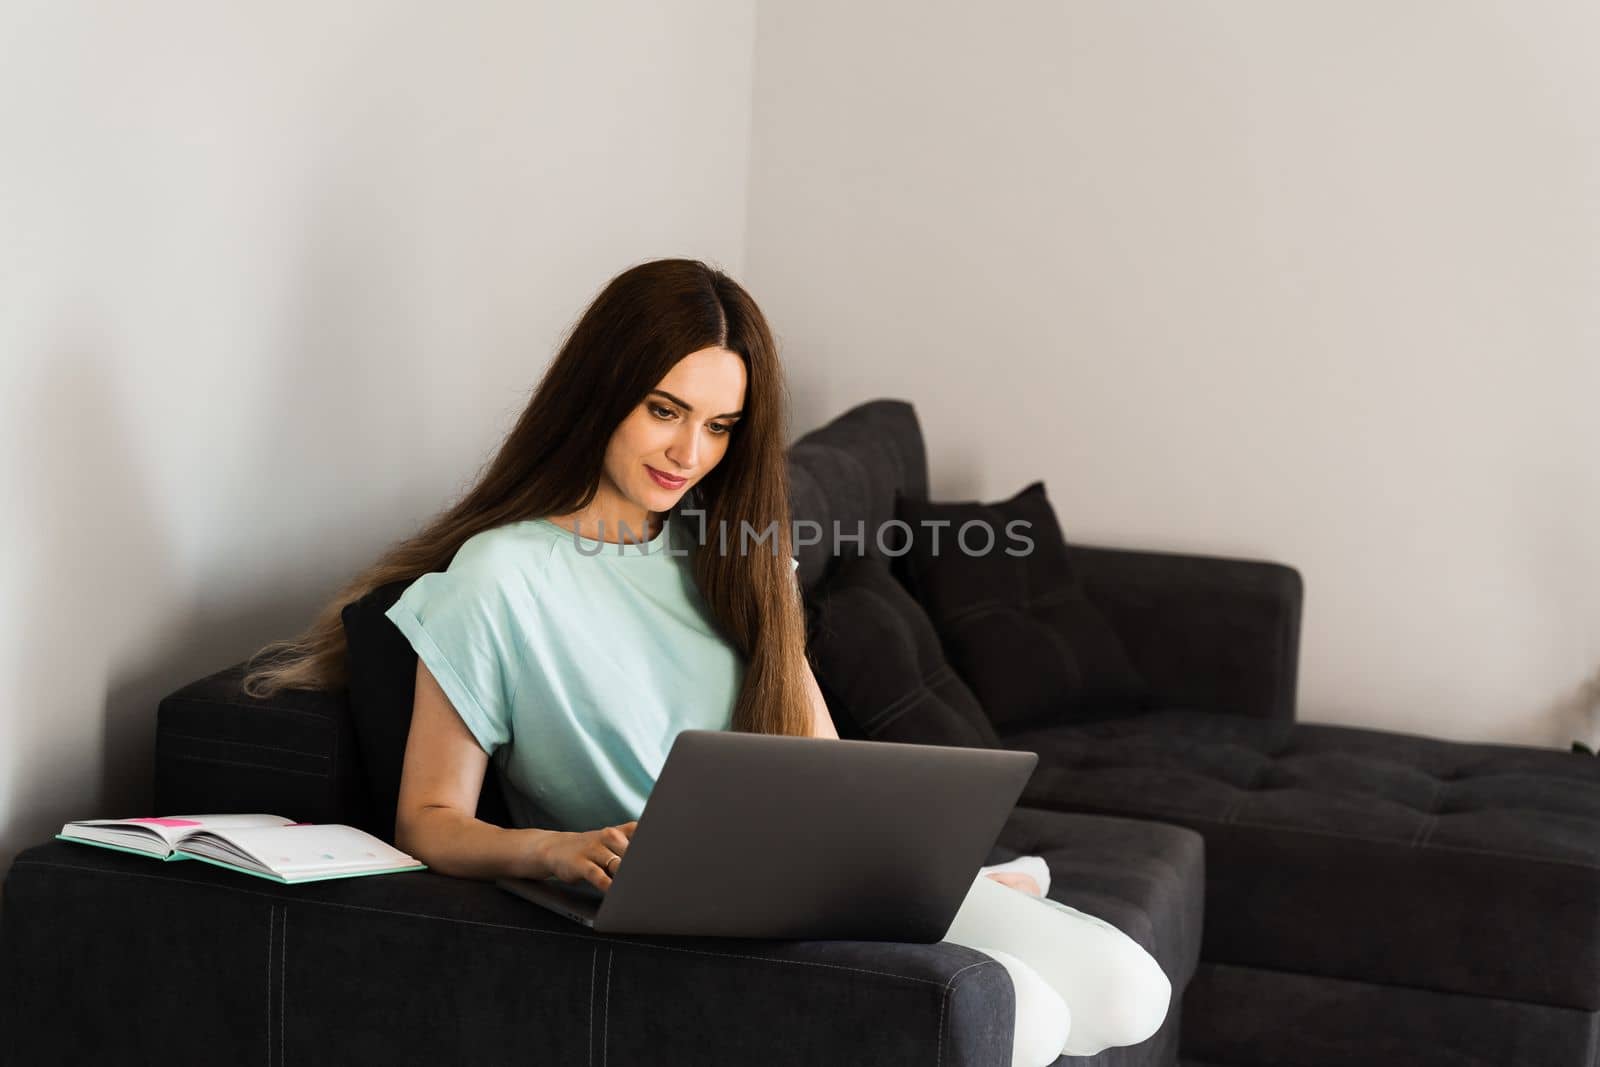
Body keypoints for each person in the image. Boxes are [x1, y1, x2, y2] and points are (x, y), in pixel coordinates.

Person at [241, 258, 1170, 1065]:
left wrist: (920, 857)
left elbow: (830, 761)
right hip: (685, 911)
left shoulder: (733, 551)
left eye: (721, 426)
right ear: (600, 393)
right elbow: (429, 819)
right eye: (664, 411)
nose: (690, 452)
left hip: (825, 872)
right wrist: (558, 849)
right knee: (1028, 1017)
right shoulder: (499, 576)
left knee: (1135, 992)